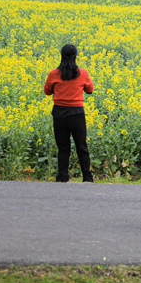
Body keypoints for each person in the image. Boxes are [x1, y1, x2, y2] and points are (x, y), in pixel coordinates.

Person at [43, 44, 94, 183]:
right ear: (76, 56)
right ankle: (87, 178)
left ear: (61, 55)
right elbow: (90, 90)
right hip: (76, 114)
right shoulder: (83, 73)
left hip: (59, 114)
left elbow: (47, 91)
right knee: (82, 147)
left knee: (63, 148)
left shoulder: (53, 74)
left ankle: (62, 177)